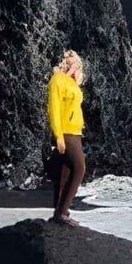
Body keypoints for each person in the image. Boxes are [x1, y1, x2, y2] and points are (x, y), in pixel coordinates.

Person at [46, 49, 86, 226]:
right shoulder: (57, 80)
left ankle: (59, 211)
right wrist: (58, 136)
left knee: (66, 171)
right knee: (79, 168)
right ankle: (62, 213)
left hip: (76, 132)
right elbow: (53, 109)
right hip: (67, 133)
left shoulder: (72, 83)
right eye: (74, 64)